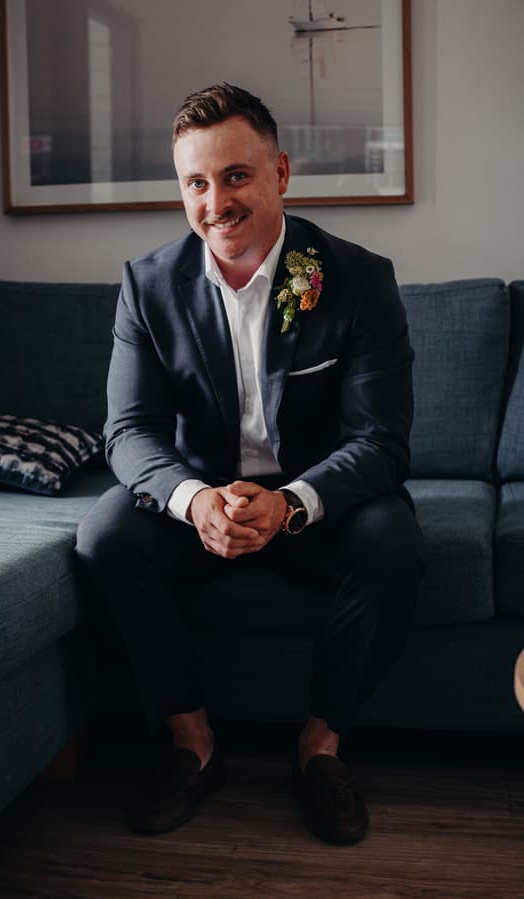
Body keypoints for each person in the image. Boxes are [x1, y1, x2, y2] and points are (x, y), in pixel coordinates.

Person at [76, 83, 425, 845]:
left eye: (236, 176)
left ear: (281, 173)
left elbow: (381, 439)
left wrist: (292, 502)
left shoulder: (357, 279)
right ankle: (193, 745)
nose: (216, 203)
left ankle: (320, 749)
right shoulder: (147, 285)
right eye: (196, 183)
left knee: (396, 541)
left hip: (317, 503)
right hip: (204, 504)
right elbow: (129, 431)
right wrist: (194, 500)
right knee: (105, 536)